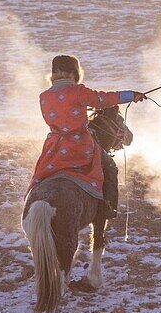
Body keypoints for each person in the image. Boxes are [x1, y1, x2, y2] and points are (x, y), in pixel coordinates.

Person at [28, 55, 146, 220]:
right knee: (110, 166)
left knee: (41, 176)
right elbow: (105, 99)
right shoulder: (78, 92)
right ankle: (107, 208)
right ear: (74, 72)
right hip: (80, 145)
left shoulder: (44, 96)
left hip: (54, 147)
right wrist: (131, 95)